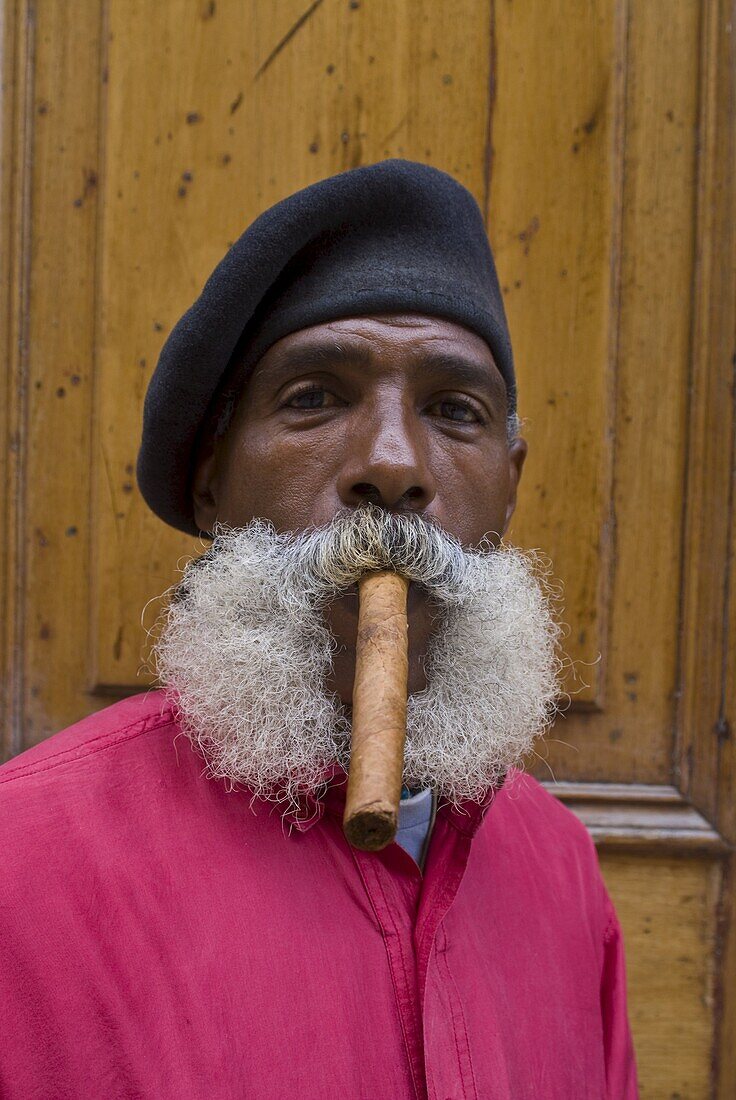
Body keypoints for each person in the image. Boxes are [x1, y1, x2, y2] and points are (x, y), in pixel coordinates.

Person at [0, 160, 638, 1098]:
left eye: (453, 411)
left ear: (511, 480)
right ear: (213, 478)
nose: (392, 464)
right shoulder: (23, 864)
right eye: (315, 398)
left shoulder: (563, 872)